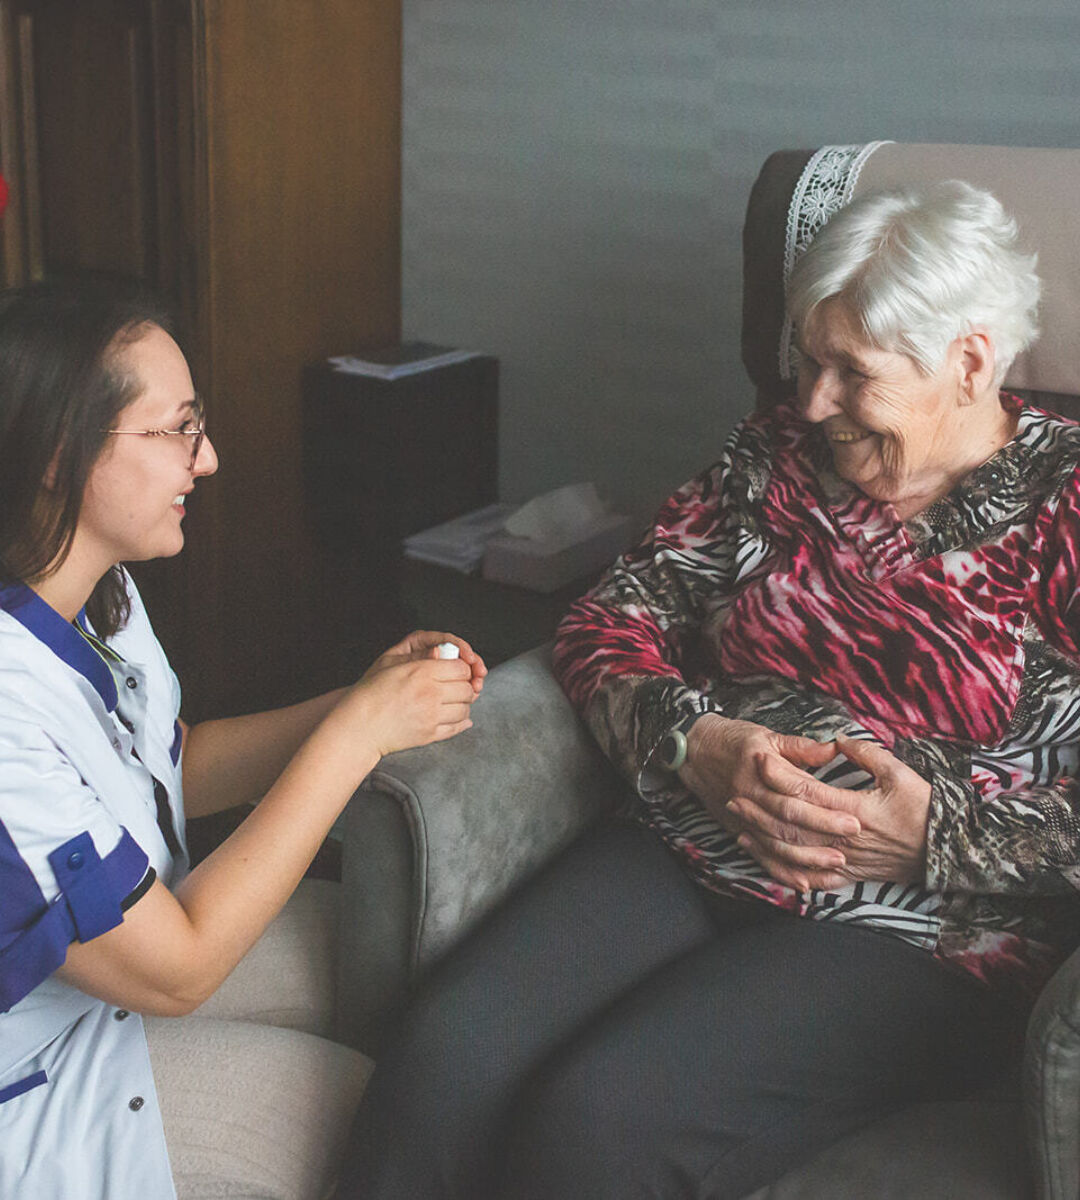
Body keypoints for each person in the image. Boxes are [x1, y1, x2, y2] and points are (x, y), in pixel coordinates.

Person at [336, 180, 1080, 1200]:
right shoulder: (771, 458)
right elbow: (608, 620)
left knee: (604, 1117)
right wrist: (695, 744)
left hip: (916, 926)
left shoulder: (1067, 510)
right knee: (444, 1054)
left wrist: (935, 835)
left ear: (971, 362)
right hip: (691, 840)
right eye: (808, 361)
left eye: (853, 373)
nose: (812, 402)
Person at [0, 279, 487, 1200]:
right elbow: (180, 971)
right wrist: (355, 737)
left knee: (394, 949)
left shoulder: (95, 586)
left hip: (110, 980)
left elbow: (169, 766)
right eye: (177, 430)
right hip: (36, 1078)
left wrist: (361, 699)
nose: (209, 458)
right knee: (379, 1114)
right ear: (60, 455)